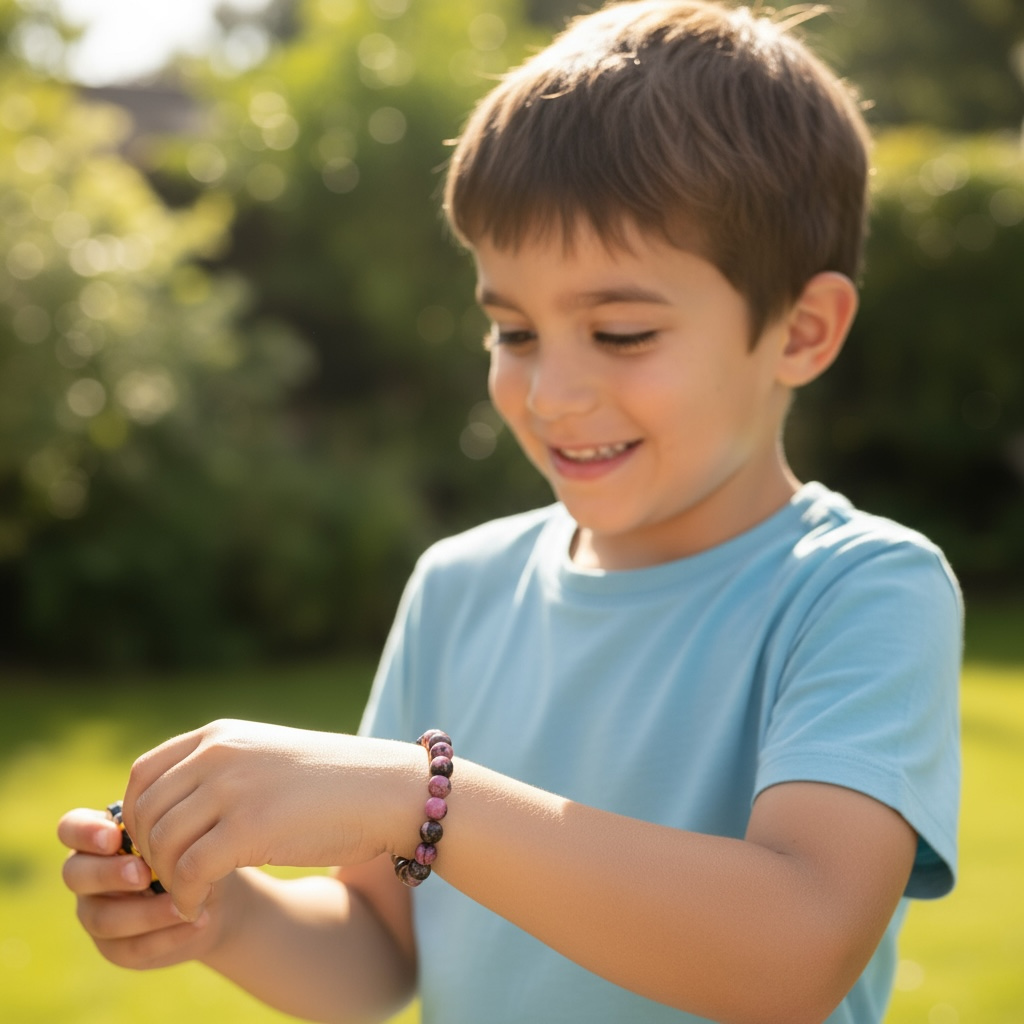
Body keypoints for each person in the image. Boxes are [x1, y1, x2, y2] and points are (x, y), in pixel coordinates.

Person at [58, 2, 962, 1022]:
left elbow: (795, 948)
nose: (548, 394)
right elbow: (376, 956)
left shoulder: (858, 589)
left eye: (619, 332)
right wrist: (221, 916)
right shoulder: (458, 587)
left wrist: (419, 795)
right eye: (514, 330)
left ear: (801, 331)